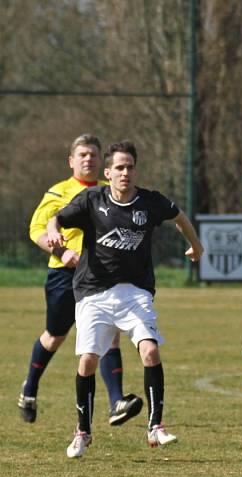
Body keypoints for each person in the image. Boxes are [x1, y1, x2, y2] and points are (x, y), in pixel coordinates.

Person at [45, 140, 204, 458]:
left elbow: (179, 216)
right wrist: (53, 232)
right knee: (88, 360)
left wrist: (195, 246)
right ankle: (83, 432)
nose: (125, 172)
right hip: (93, 291)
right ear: (108, 172)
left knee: (150, 351)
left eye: (130, 167)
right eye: (119, 167)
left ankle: (155, 427)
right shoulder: (92, 199)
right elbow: (57, 219)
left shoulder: (150, 202)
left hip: (135, 292)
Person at [19, 134, 142, 426]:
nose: (89, 159)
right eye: (83, 154)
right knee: (55, 336)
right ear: (71, 161)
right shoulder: (57, 192)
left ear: (103, 163)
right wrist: (60, 251)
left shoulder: (108, 191)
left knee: (110, 337)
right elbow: (37, 229)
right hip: (64, 274)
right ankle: (30, 389)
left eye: (94, 155)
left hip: (101, 277)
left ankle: (116, 403)